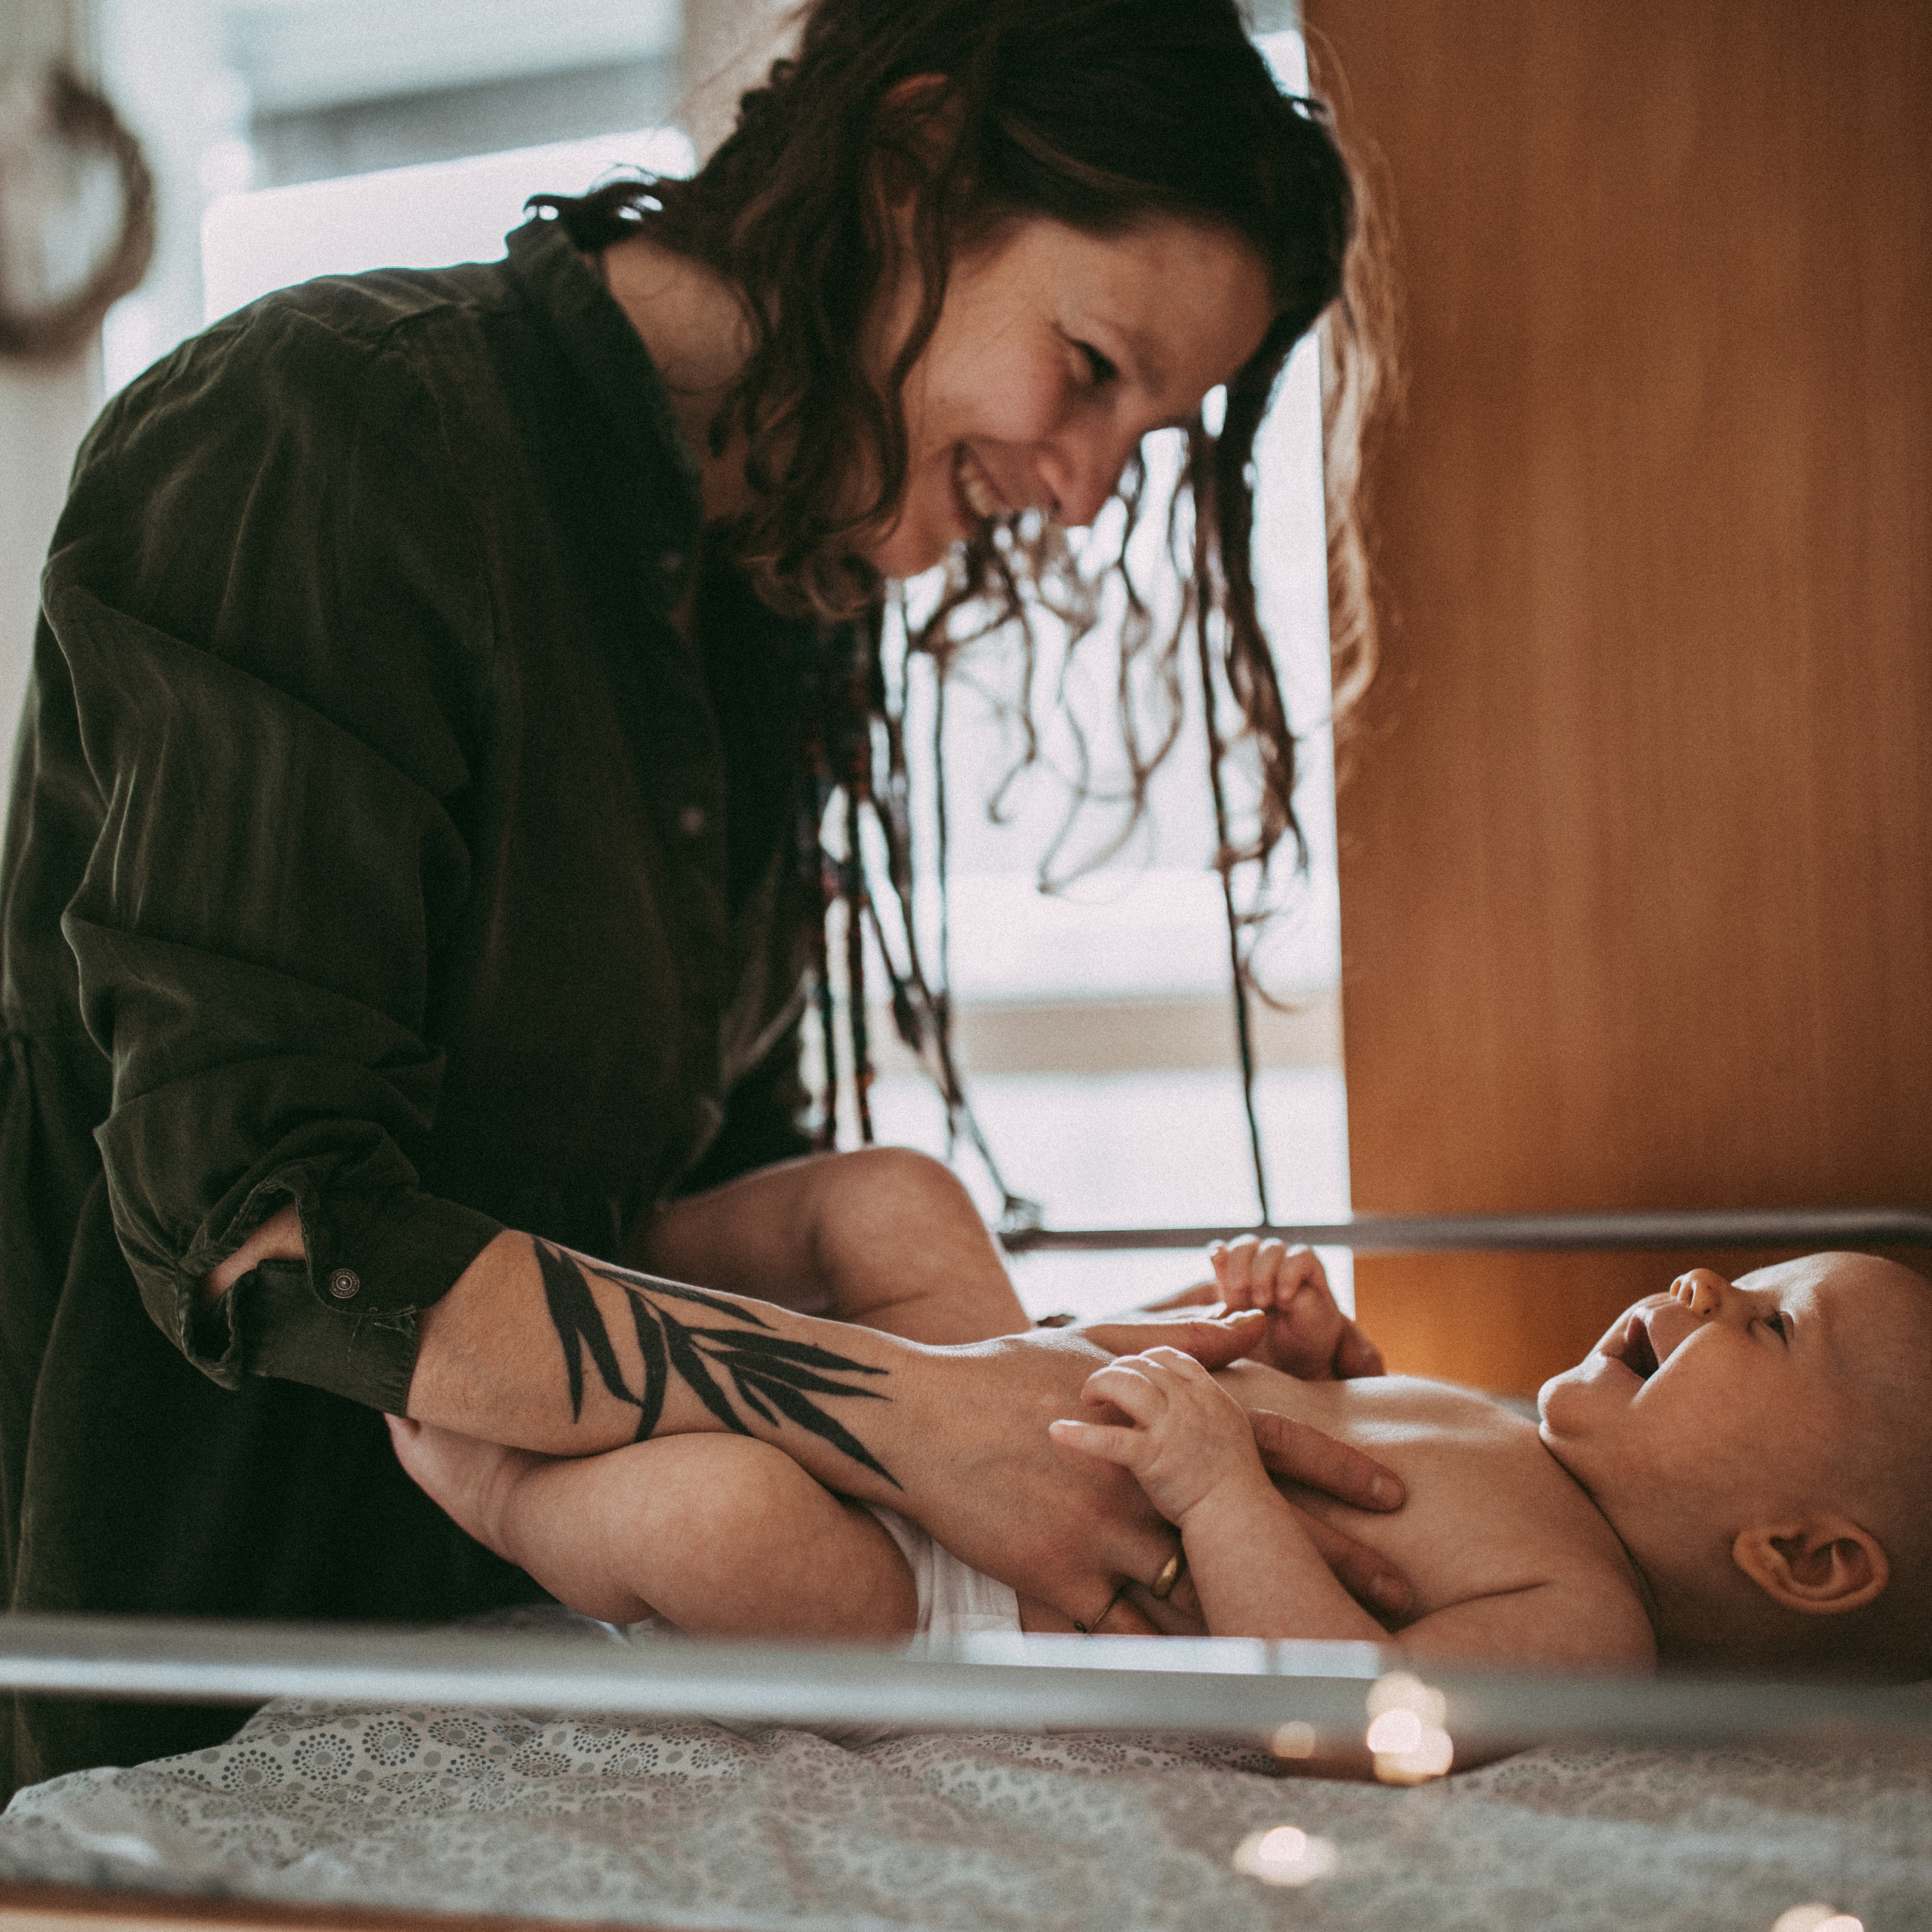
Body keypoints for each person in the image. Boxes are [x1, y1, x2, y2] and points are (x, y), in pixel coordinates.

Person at [0, 0, 1395, 1793]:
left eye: (1147, 433)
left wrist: (1084, 1381)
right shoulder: (320, 435)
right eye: (1089, 368)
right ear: (907, 170)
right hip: (191, 1665)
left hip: (549, 1663)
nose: (1082, 485)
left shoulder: (774, 598)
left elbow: (690, 1202)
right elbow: (273, 1234)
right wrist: (914, 1413)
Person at [394, 1232, 1932, 1710]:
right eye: (1744, 1271)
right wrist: (1322, 1349)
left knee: (720, 1517)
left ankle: (486, 1484)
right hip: (985, 1401)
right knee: (898, 1200)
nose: (1697, 1283)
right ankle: (578, 1236)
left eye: (1769, 1324)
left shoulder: (1585, 1628)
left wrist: (1218, 1495)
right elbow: (1371, 1461)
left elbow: (1339, 1712)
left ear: (1801, 1555)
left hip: (959, 1590)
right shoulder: (1531, 1452)